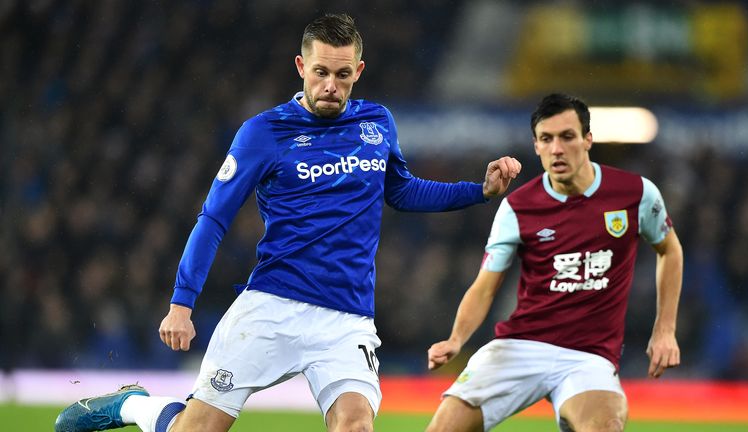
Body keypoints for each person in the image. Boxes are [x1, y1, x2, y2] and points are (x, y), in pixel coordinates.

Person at [54, 13, 522, 432]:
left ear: (358, 72)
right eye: (320, 73)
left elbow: (401, 191)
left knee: (356, 426)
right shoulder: (264, 132)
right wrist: (182, 302)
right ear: (301, 68)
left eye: (342, 75)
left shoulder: (377, 124)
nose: (330, 87)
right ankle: (132, 406)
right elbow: (214, 218)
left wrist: (476, 192)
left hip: (346, 317)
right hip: (272, 305)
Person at [425, 93, 683, 432]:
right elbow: (485, 286)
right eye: (546, 139)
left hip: (588, 356)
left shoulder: (636, 194)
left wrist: (664, 330)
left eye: (567, 136)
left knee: (605, 427)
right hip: (520, 346)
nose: (557, 148)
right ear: (536, 146)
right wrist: (456, 339)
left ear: (588, 139)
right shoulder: (518, 207)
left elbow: (670, 251)